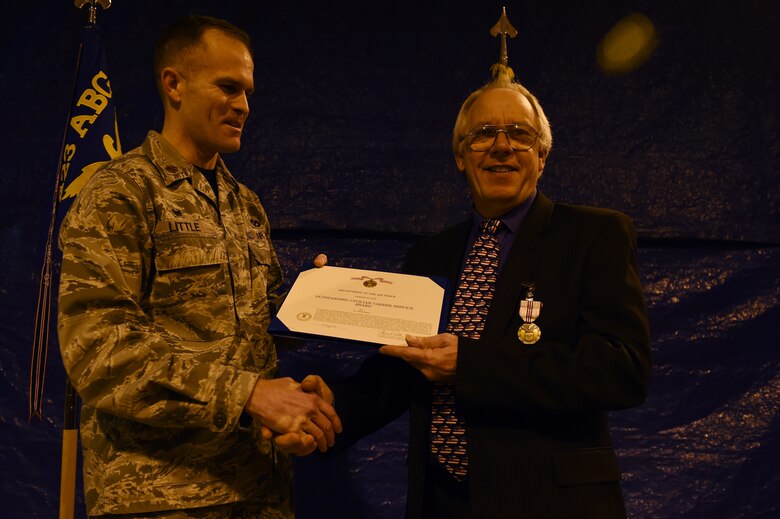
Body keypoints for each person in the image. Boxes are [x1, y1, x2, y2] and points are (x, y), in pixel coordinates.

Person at [279, 63, 652, 517]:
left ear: (542, 156)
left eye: (520, 134)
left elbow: (623, 370)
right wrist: (333, 407)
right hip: (442, 504)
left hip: (550, 504)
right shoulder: (430, 256)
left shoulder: (594, 235)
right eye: (483, 134)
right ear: (460, 156)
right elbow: (404, 370)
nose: (502, 146)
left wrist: (470, 366)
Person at [57, 15, 340, 517]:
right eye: (228, 87)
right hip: (160, 498)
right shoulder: (121, 193)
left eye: (247, 92)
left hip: (258, 490)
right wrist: (251, 395)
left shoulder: (245, 205)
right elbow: (97, 349)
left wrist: (316, 311)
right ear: (174, 84)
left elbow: (254, 338)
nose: (244, 106)